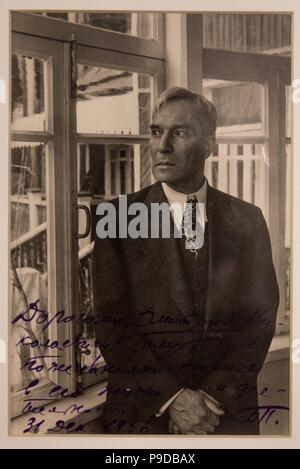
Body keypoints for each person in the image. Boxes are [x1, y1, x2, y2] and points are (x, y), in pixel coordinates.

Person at [92, 87, 279, 435]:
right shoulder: (115, 217)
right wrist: (173, 399)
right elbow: (110, 325)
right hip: (143, 416)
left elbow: (260, 320)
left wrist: (208, 400)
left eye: (179, 132)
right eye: (156, 131)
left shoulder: (248, 219)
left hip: (223, 416)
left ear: (210, 144)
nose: (162, 146)